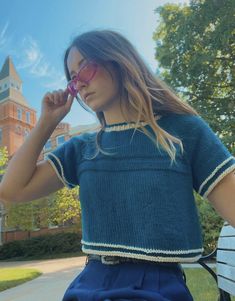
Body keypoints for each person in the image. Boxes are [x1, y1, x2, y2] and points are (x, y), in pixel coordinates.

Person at [0, 29, 235, 301]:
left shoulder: (182, 132)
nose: (78, 85)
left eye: (84, 69)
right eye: (72, 79)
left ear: (119, 60)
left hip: (156, 287)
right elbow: (11, 190)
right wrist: (45, 123)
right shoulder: (82, 148)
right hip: (88, 283)